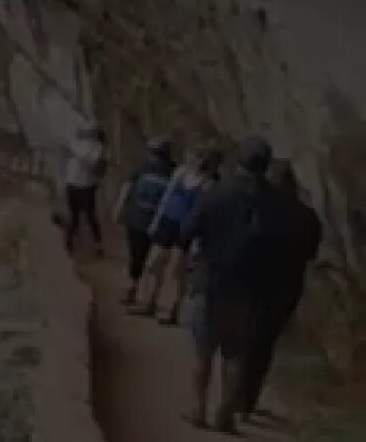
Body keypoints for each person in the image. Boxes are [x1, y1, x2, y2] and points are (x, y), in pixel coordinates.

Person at [178, 136, 276, 434]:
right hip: (248, 289)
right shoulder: (272, 203)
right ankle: (225, 414)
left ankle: (197, 409)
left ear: (239, 161)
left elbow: (186, 232)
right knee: (235, 355)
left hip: (210, 279)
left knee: (202, 351)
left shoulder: (217, 193)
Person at [239, 159, 322, 420]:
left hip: (252, 282)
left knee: (242, 339)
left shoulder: (258, 207)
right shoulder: (308, 217)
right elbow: (310, 254)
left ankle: (232, 394)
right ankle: (247, 400)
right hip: (286, 288)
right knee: (265, 344)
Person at [132, 146, 223, 323]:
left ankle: (172, 308)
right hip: (168, 221)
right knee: (153, 263)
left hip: (186, 228)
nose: (196, 161)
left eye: (200, 158)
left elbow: (204, 211)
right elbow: (166, 197)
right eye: (195, 156)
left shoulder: (209, 183)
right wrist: (156, 221)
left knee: (176, 270)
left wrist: (198, 239)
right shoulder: (181, 173)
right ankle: (148, 300)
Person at [113, 137, 176, 305]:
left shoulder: (173, 172)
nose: (154, 156)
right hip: (138, 219)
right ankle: (133, 291)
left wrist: (119, 209)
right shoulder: (144, 168)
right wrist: (119, 208)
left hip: (156, 223)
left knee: (151, 262)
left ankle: (146, 298)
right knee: (136, 257)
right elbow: (127, 187)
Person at [62, 123, 108, 256]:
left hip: (86, 185)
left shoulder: (98, 147)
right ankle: (70, 243)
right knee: (75, 216)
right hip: (73, 183)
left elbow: (92, 161)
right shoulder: (78, 143)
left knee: (90, 216)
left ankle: (98, 245)